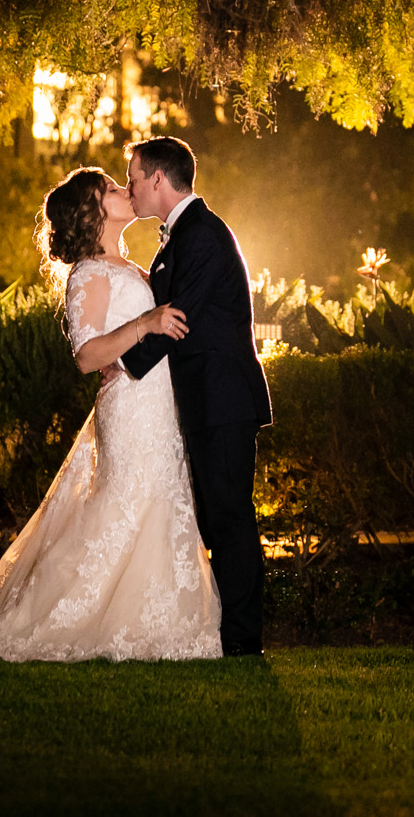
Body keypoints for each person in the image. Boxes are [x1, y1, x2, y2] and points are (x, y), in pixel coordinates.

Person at [0, 167, 221, 661]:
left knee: (162, 502)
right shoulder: (89, 273)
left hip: (160, 406)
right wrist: (148, 321)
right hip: (129, 410)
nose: (123, 191)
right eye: (111, 189)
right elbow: (87, 356)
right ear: (91, 212)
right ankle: (73, 621)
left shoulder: (134, 267)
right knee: (128, 504)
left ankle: (164, 625)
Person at [119, 135, 273, 657]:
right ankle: (229, 634)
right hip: (207, 400)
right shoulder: (183, 235)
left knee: (229, 517)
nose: (130, 187)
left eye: (135, 177)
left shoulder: (202, 235)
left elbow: (176, 320)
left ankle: (242, 641)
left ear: (159, 179)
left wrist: (123, 365)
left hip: (223, 400)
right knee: (216, 517)